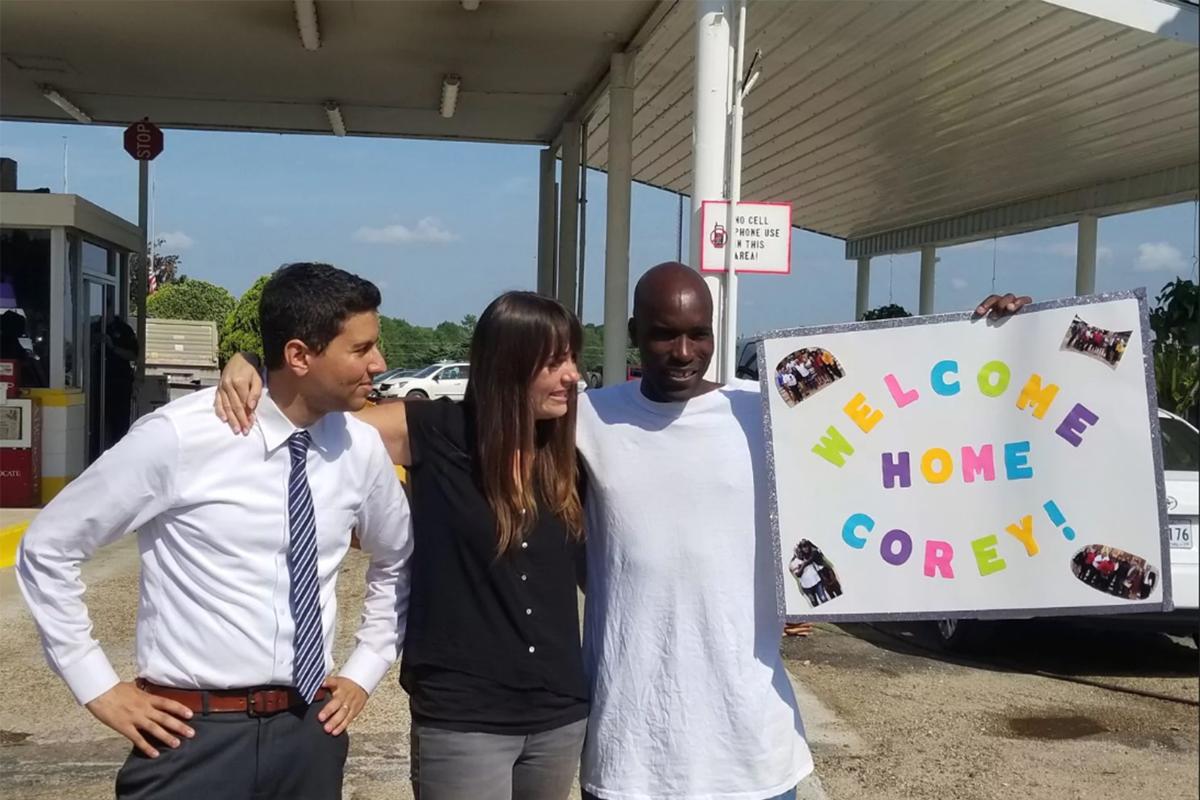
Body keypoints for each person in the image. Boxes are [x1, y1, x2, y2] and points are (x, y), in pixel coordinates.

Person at [575, 263, 1030, 800]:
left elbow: (917, 433)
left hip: (753, 752)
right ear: (633, 332)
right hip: (630, 755)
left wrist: (993, 340)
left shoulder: (768, 415)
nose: (683, 352)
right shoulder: (586, 421)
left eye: (698, 334)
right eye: (663, 334)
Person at [17, 262, 413, 800]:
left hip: (309, 732)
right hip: (192, 737)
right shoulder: (182, 437)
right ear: (299, 355)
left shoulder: (358, 448)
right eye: (361, 349)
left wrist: (365, 669)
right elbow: (48, 548)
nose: (379, 363)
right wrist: (98, 686)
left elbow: (397, 558)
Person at [216, 291, 589, 800]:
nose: (573, 375)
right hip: (465, 718)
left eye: (573, 358)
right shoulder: (431, 430)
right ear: (508, 363)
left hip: (559, 715)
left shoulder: (568, 448)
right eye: (555, 362)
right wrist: (253, 365)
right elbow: (304, 413)